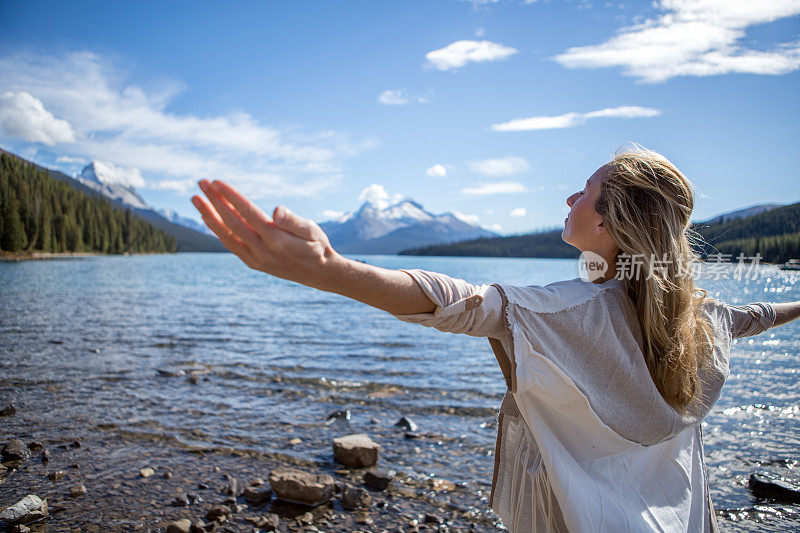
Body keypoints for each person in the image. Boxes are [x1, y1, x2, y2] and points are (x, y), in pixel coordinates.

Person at [192, 146, 800, 532]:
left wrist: (333, 271)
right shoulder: (694, 317)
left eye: (583, 190)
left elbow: (461, 302)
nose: (568, 198)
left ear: (609, 221)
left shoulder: (570, 309)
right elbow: (755, 314)